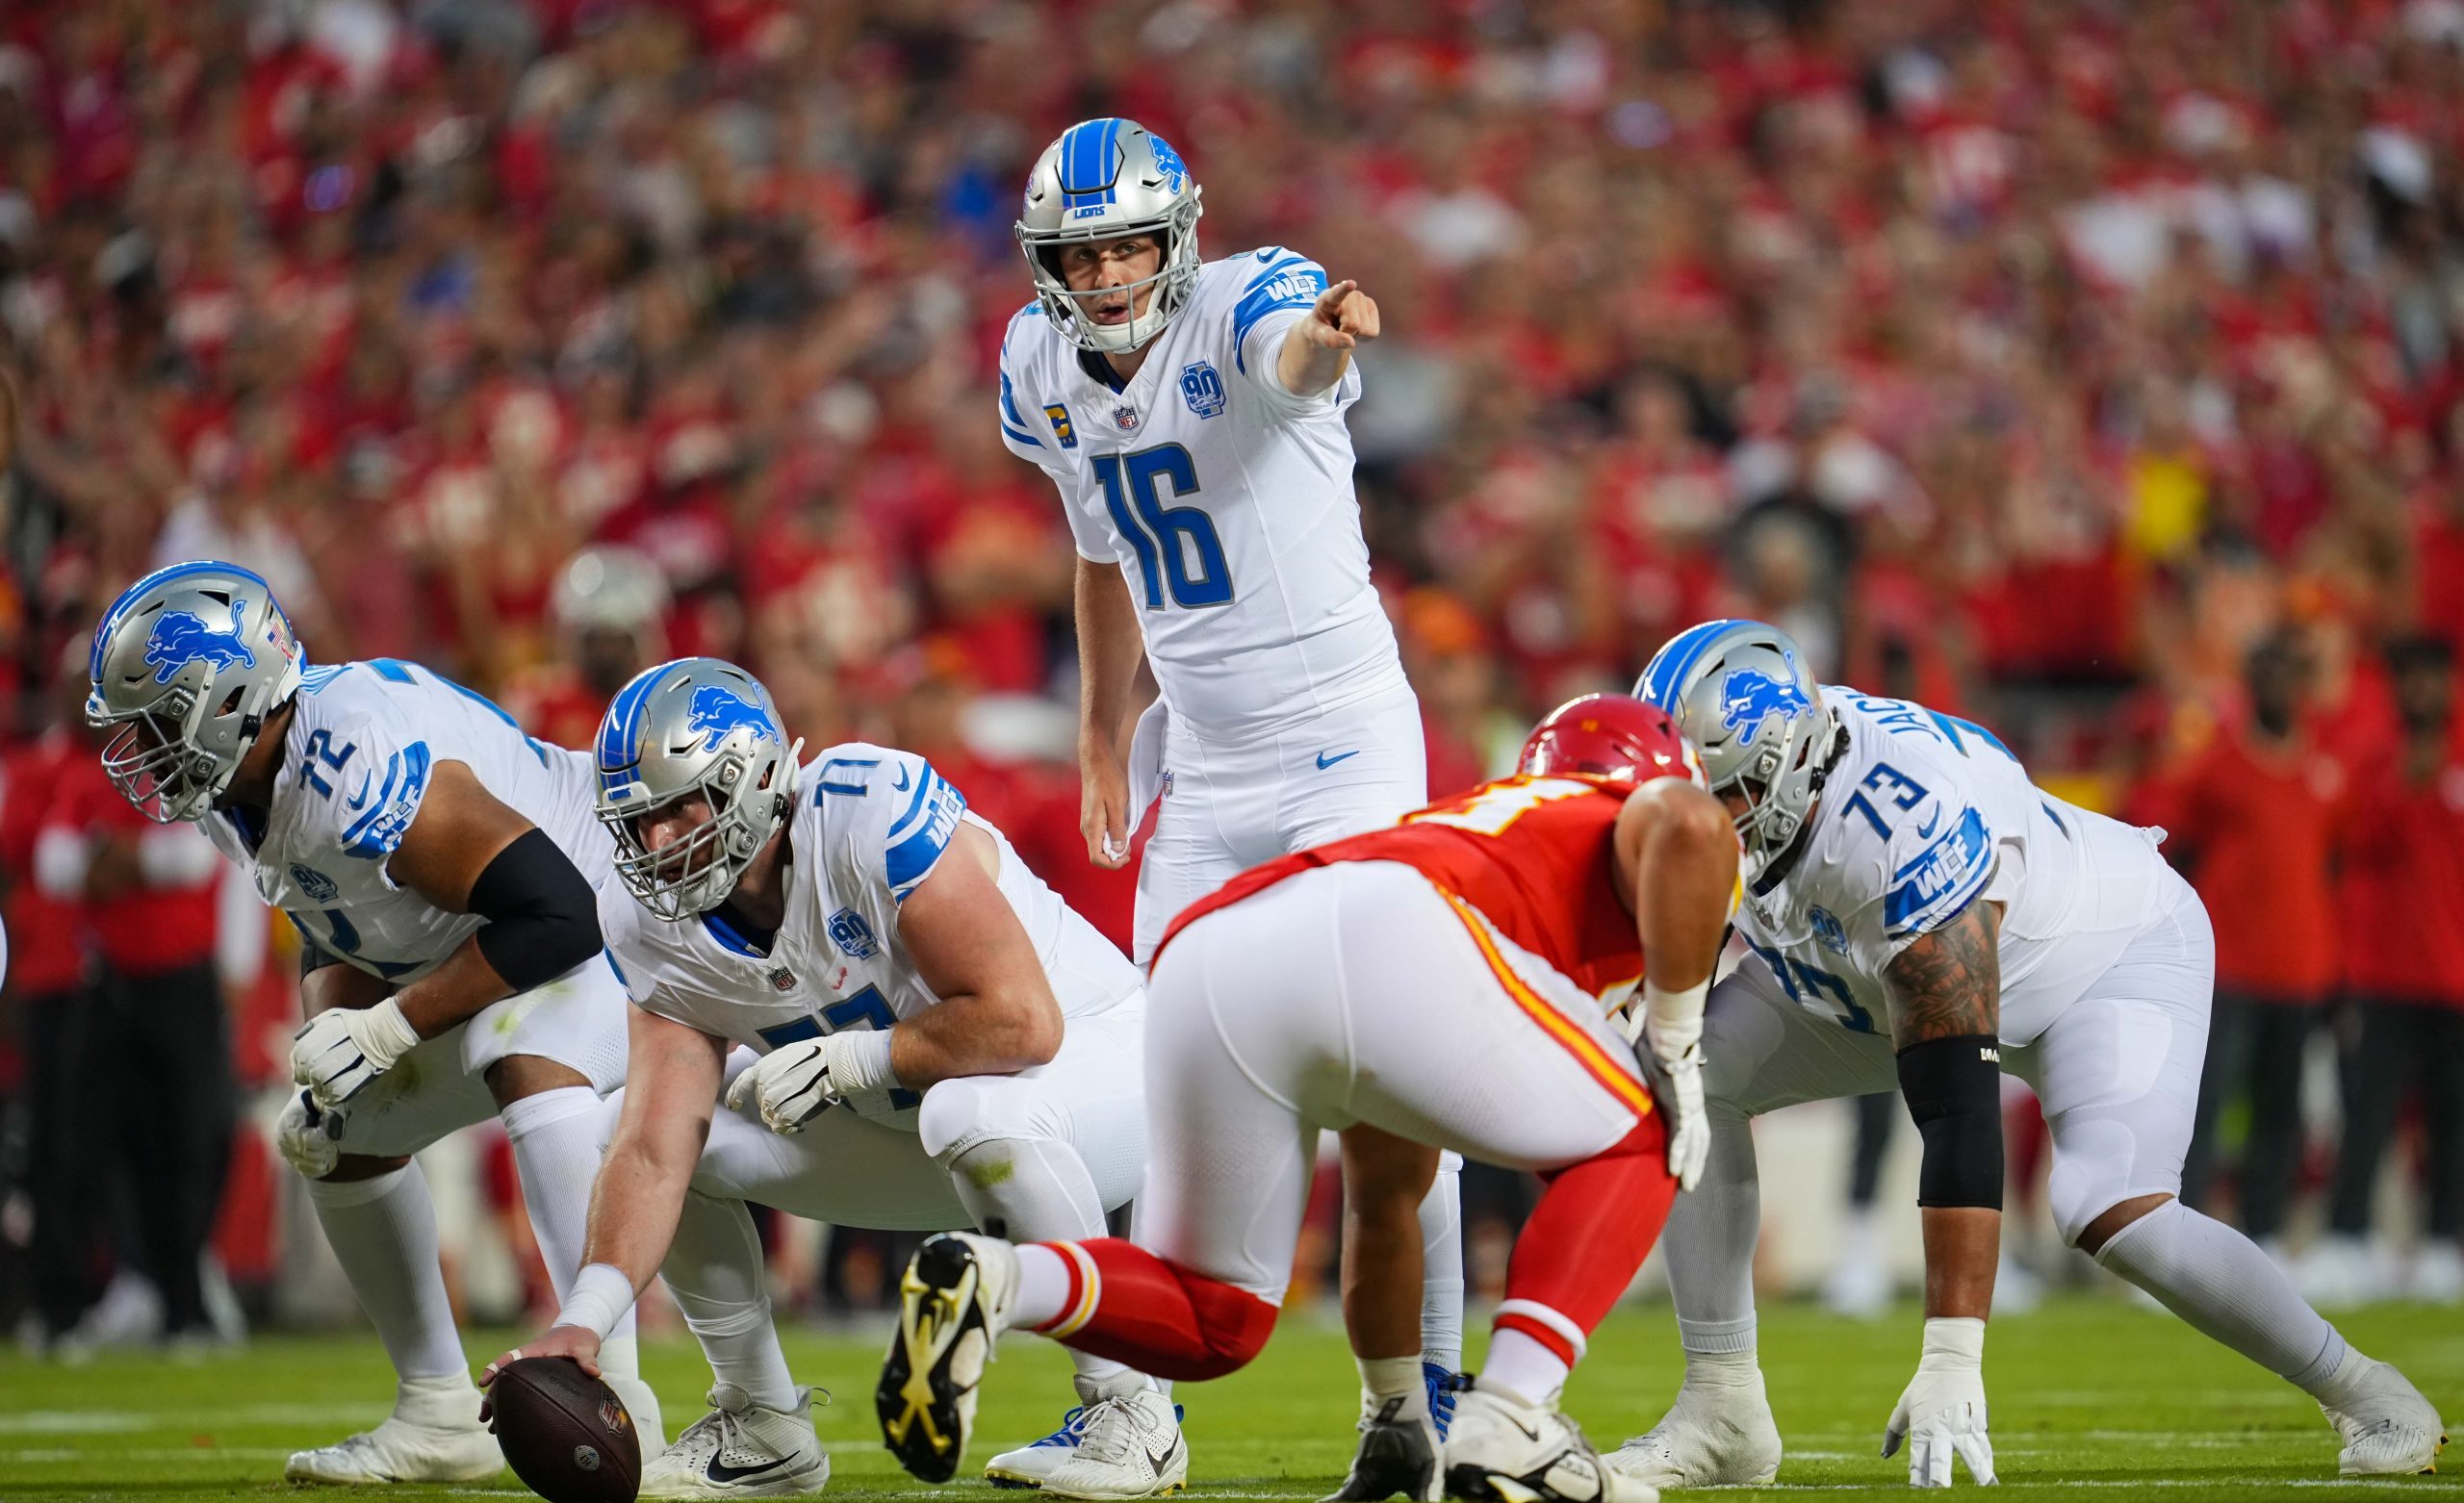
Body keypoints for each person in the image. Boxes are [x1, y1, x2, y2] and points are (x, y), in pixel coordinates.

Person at [1617, 620, 2445, 1489]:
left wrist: (1951, 1357)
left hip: (2101, 961)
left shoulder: (1904, 822)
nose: (1705, 819)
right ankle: (1722, 1411)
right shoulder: (1750, 784)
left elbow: (1956, 1110)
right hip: (1867, 968)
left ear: (1787, 763)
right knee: (1684, 1076)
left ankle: (2367, 1392)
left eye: (1728, 793)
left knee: (2108, 1206)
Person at [874, 695, 1737, 1503]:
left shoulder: (1486, 831)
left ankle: (998, 1279)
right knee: (1650, 1130)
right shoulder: (1622, 819)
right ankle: (1513, 1414)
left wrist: (1395, 1406)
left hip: (1215, 948)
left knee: (1216, 1316)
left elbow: (1385, 1200)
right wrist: (1676, 1044)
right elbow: (1690, 823)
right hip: (1399, 926)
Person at [997, 115, 1463, 1474]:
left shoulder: (1252, 298)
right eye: (1082, 253)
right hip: (1202, 755)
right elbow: (1101, 551)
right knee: (1173, 1075)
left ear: (1178, 236)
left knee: (1387, 1070)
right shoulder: (1039, 365)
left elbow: (1292, 353)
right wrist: (1102, 729)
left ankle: (1428, 1382)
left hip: (1342, 744)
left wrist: (1332, 333)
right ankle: (1137, 1412)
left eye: (1132, 242)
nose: (1109, 273)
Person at [478, 658, 1175, 1501]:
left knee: (972, 1108)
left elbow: (1023, 1024)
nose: (657, 843)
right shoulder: (647, 924)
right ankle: (763, 1424)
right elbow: (655, 1152)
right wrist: (582, 1321)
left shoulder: (865, 809)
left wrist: (859, 1059)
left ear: (756, 775)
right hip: (927, 1131)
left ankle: (1131, 1412)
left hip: (1105, 1079)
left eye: (675, 807)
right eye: (639, 819)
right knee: (619, 1120)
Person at [83, 561, 655, 1483]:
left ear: (229, 698)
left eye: (157, 722)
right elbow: (335, 919)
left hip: (611, 919)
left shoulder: (351, 754)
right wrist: (331, 1051)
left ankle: (623, 1404)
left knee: (527, 1052)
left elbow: (557, 913)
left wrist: (386, 1032)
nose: (143, 752)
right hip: (494, 943)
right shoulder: (240, 783)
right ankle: (437, 1411)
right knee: (336, 1127)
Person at [2319, 635, 2464, 1304]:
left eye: (2431, 678)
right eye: (2409, 679)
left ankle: (2444, 1243)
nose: (2421, 691)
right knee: (2367, 1113)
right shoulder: (2375, 763)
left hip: (2454, 976)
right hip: (2382, 974)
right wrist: (2407, 785)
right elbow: (2347, 847)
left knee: (2451, 1118)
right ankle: (2347, 1239)